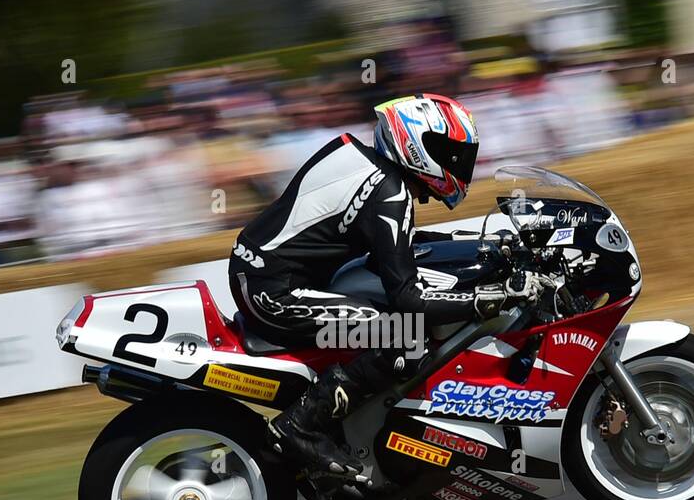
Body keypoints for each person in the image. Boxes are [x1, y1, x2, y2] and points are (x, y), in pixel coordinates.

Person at [229, 93, 540, 479]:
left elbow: (391, 245)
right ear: (415, 143)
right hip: (273, 293)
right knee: (406, 338)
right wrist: (484, 300)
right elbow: (409, 299)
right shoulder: (390, 193)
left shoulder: (359, 159)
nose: (457, 163)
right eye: (448, 151)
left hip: (259, 273)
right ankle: (301, 427)